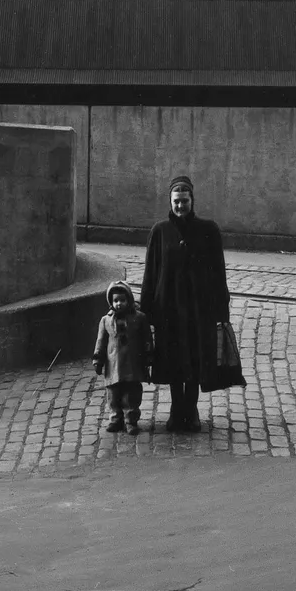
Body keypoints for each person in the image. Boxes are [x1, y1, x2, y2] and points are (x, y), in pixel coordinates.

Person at [139, 175, 243, 433]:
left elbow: (219, 272)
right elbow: (150, 273)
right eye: (176, 201)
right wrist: (145, 310)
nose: (180, 206)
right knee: (173, 359)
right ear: (170, 201)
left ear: (192, 201)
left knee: (196, 359)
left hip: (200, 308)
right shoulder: (160, 231)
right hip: (169, 309)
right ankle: (176, 410)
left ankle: (192, 409)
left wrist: (222, 308)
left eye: (184, 201)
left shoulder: (208, 230)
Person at [92, 282, 152, 434]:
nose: (119, 304)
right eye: (116, 301)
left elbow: (147, 339)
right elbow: (101, 341)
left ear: (129, 300)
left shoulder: (139, 318)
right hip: (114, 364)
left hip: (132, 363)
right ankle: (115, 419)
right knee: (113, 395)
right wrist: (98, 359)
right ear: (111, 302)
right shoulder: (106, 321)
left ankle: (131, 420)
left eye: (122, 300)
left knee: (131, 395)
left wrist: (148, 356)